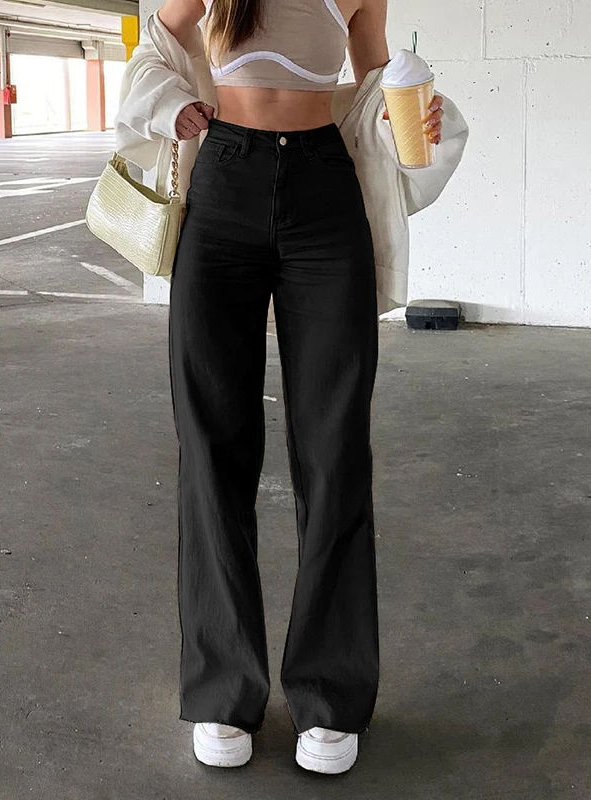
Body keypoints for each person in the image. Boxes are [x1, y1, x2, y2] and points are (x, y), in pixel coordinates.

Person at [118, 0, 448, 775]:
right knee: (211, 443)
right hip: (223, 185)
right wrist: (171, 105)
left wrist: (411, 113)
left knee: (336, 447)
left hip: (325, 191)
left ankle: (330, 695)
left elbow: (376, 79)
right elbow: (155, 46)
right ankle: (221, 690)